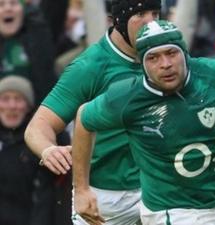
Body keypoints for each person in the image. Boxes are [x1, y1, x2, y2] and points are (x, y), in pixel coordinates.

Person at [72, 20, 215, 225]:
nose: (165, 64)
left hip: (212, 203)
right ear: (142, 64)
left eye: (171, 53)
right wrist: (81, 189)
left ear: (184, 52)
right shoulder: (128, 97)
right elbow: (84, 118)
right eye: (153, 58)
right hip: (169, 211)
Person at [24, 0, 161, 224]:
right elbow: (37, 127)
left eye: (156, 13)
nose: (151, 23)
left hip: (160, 186)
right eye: (140, 14)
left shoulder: (167, 55)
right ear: (118, 20)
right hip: (105, 196)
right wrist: (49, 150)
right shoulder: (90, 67)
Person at [0, 75, 57, 225]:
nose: (12, 106)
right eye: (5, 99)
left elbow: (46, 196)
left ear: (29, 106)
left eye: (19, 99)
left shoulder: (40, 143)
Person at [0, 0, 57, 105]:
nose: (8, 8)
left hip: (40, 114)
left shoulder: (40, 35)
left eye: (13, 3)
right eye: (1, 4)